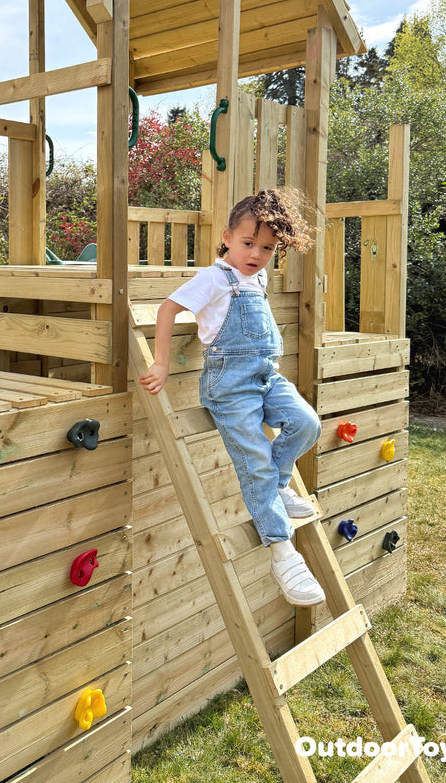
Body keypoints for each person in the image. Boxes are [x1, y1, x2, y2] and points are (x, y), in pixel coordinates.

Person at [139, 189, 325, 606]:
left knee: (307, 424)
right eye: (247, 244)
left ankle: (277, 488)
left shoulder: (257, 277)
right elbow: (168, 310)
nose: (256, 254)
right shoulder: (214, 277)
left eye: (267, 248)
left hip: (265, 376)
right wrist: (161, 364)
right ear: (226, 237)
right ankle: (282, 552)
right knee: (256, 464)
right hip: (230, 388)